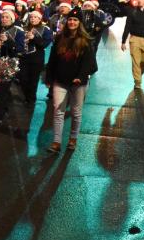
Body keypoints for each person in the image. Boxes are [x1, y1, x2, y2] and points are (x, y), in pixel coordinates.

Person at [46, 13, 97, 152]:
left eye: (75, 20)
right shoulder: (59, 38)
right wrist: (49, 78)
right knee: (58, 111)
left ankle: (73, 138)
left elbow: (91, 64)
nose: (72, 22)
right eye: (70, 19)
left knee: (76, 112)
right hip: (60, 81)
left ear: (79, 23)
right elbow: (52, 60)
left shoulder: (85, 41)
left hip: (78, 84)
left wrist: (80, 76)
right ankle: (56, 142)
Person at [0, 6, 24, 126]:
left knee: (3, 90)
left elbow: (20, 48)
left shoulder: (18, 31)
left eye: (7, 17)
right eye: (2, 17)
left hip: (9, 63)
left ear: (12, 19)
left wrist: (8, 41)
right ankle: (4, 108)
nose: (4, 19)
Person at [17, 11, 53, 104]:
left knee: (33, 80)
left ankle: (31, 100)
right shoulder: (23, 28)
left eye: (35, 17)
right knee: (22, 79)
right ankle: (27, 96)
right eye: (31, 17)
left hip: (36, 59)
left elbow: (44, 44)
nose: (33, 19)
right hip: (23, 57)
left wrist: (34, 38)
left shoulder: (45, 29)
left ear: (40, 19)